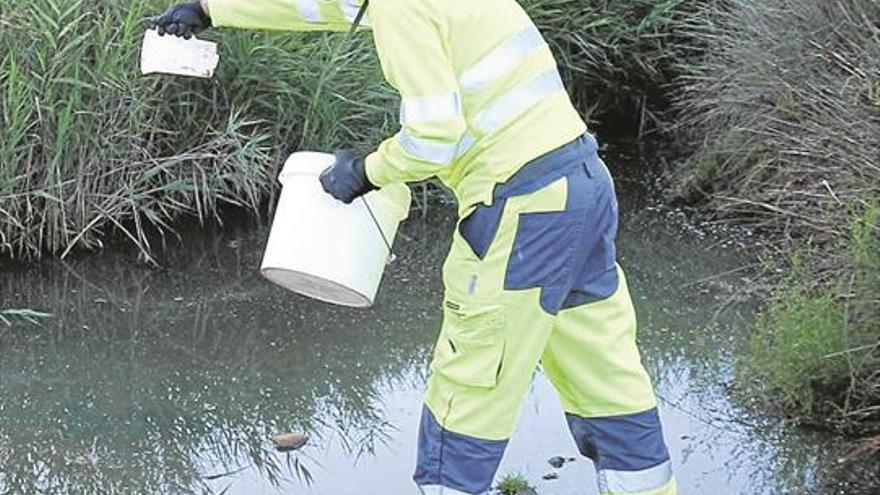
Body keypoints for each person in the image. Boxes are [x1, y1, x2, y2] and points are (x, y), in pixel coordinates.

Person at [148, 1, 676, 494]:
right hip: (580, 181)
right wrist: (210, 8)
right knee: (603, 364)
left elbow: (432, 137)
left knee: (471, 377)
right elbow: (324, 6)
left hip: (522, 206)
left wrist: (365, 172)